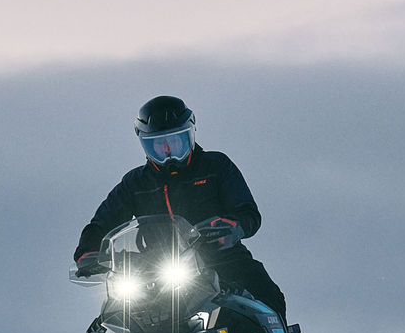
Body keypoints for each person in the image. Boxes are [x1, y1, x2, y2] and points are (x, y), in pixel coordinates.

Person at [73, 95, 287, 321]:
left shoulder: (216, 166)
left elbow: (247, 212)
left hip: (222, 260)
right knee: (106, 322)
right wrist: (88, 252)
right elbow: (102, 222)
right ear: (146, 145)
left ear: (190, 135)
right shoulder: (135, 183)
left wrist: (234, 227)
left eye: (175, 142)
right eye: (158, 145)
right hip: (156, 272)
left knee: (266, 295)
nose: (168, 152)